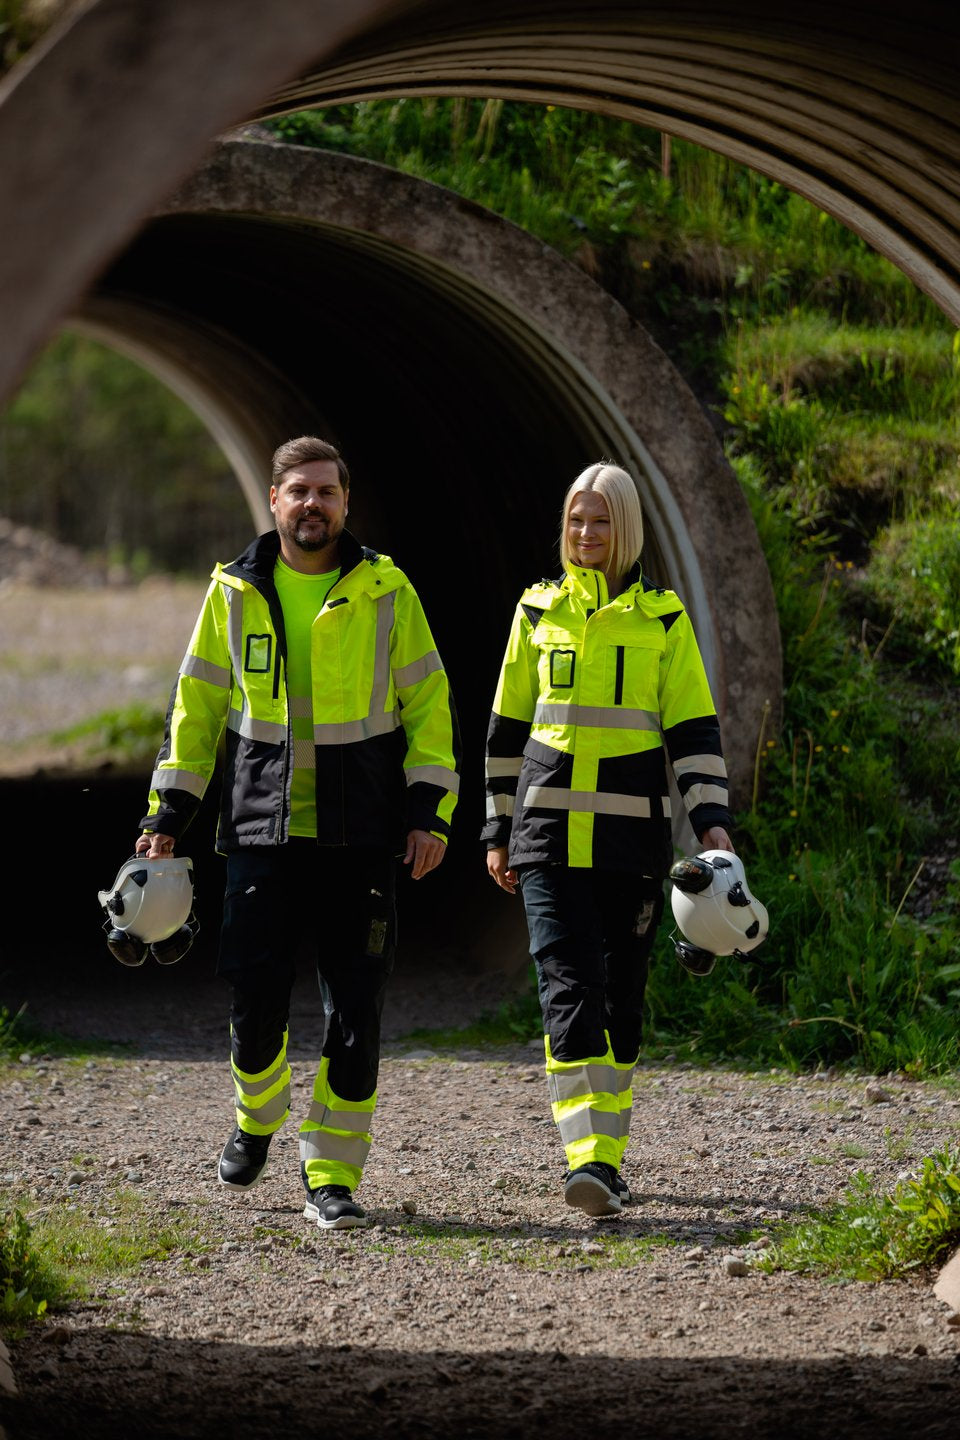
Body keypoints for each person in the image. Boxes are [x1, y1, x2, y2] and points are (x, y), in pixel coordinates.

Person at [134, 436, 460, 1230]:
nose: (311, 504)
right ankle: (257, 1116)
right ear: (273, 502)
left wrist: (430, 813)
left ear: (347, 505)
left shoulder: (388, 591)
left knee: (357, 1006)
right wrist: (166, 815)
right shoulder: (234, 592)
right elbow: (198, 708)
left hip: (362, 834)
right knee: (252, 992)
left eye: (326, 492)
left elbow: (427, 705)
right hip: (258, 827)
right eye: (297, 492)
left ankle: (331, 1175)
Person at [481, 461, 733, 1218]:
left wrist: (713, 819)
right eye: (575, 521)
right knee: (569, 987)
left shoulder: (662, 620)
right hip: (547, 837)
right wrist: (497, 827)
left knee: (623, 997)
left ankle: (610, 1158)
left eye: (599, 522)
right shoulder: (535, 612)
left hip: (632, 841)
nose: (585, 536)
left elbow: (692, 729)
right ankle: (585, 1157)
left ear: (625, 531)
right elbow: (504, 729)